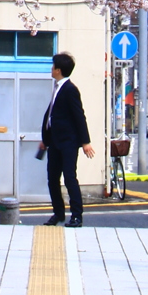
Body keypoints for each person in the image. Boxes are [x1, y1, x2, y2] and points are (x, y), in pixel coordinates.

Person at [38, 51, 95, 227]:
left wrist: (85, 142)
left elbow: (79, 116)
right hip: (55, 142)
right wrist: (45, 140)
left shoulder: (70, 89)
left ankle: (77, 215)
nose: (51, 68)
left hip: (68, 142)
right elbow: (51, 116)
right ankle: (58, 213)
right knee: (52, 178)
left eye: (53, 66)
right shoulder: (57, 87)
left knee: (70, 178)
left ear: (58, 70)